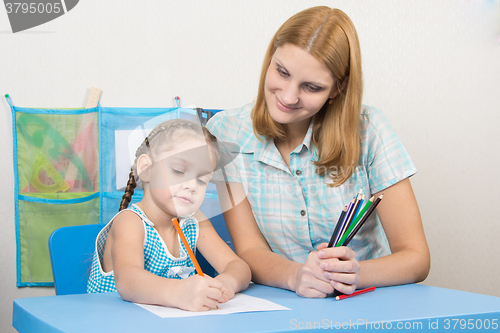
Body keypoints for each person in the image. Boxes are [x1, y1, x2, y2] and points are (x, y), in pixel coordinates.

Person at [206, 6, 430, 298]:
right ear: (270, 57)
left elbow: (415, 257)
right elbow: (249, 248)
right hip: (287, 303)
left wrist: (356, 273)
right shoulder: (225, 133)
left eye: (311, 87)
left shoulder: (369, 130)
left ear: (338, 88)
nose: (288, 96)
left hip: (367, 304)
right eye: (282, 72)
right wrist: (297, 276)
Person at [87, 119, 251, 311]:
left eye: (201, 180)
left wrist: (225, 283)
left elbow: (238, 266)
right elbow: (128, 282)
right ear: (146, 169)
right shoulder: (130, 222)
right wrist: (180, 292)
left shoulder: (194, 221)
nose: (191, 186)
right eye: (179, 171)